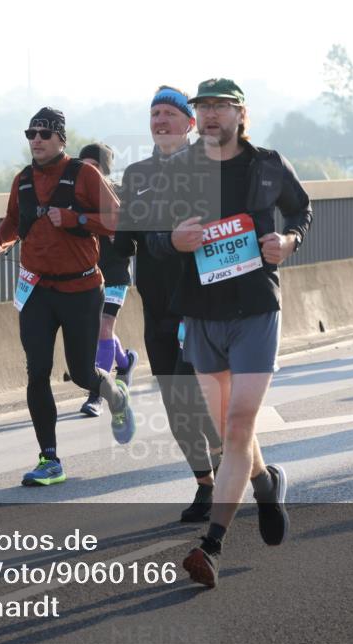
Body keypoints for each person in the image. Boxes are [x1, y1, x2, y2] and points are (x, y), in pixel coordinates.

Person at [146, 78, 313, 586]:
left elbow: (302, 210)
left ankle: (210, 545)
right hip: (201, 313)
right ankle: (265, 484)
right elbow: (152, 239)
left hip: (257, 309)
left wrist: (289, 240)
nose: (212, 114)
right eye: (205, 106)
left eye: (222, 106)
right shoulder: (178, 171)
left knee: (240, 424)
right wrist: (173, 240)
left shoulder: (267, 164)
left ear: (242, 114)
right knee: (227, 433)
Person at [0, 107, 135, 487]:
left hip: (81, 289)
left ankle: (115, 396)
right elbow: (15, 221)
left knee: (81, 372)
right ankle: (49, 459)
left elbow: (117, 221)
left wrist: (76, 219)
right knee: (37, 373)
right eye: (31, 134)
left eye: (44, 134)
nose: (36, 140)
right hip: (36, 290)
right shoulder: (23, 180)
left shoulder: (84, 175)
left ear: (61, 140)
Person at [114, 85, 223, 523]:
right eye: (154, 114)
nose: (160, 121)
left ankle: (242, 472)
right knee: (175, 406)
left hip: (197, 303)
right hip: (156, 305)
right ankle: (207, 485)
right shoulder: (137, 174)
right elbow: (124, 241)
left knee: (194, 398)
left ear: (189, 123)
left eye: (169, 114)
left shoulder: (207, 169)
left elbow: (214, 231)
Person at [77, 142, 140, 417]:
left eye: (93, 168)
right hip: (89, 274)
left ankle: (97, 395)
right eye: (83, 167)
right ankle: (125, 362)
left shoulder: (120, 195)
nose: (87, 173)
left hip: (115, 273)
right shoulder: (76, 196)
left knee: (103, 328)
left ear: (103, 169)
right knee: (99, 329)